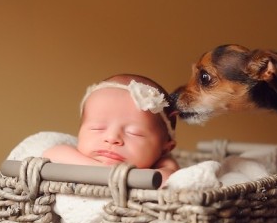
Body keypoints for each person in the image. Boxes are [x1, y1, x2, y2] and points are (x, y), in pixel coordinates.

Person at [42, 74, 179, 186]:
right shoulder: (69, 151)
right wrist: (109, 173)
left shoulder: (161, 166)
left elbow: (168, 180)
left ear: (165, 149)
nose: (112, 138)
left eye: (134, 133)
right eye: (97, 128)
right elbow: (52, 154)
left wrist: (169, 166)